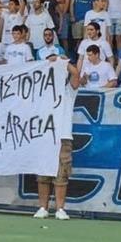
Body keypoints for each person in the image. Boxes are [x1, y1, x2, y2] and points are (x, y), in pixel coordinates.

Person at [34, 58, 80, 221]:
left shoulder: (69, 90)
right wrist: (46, 63)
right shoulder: (41, 91)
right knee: (43, 175)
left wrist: (61, 61)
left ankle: (60, 208)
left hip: (62, 137)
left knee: (62, 174)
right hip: (44, 137)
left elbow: (76, 74)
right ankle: (43, 207)